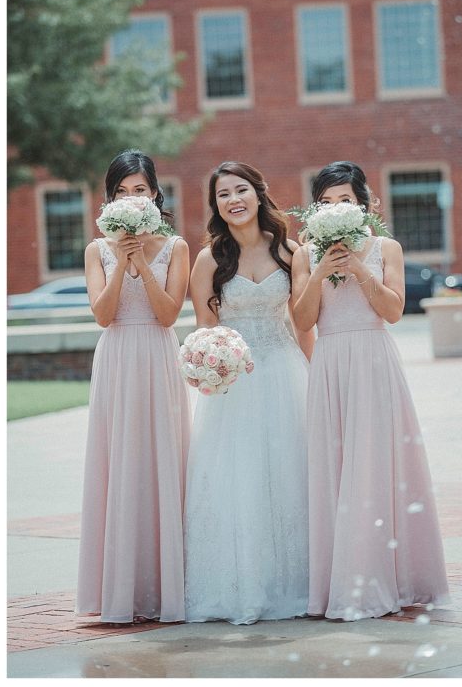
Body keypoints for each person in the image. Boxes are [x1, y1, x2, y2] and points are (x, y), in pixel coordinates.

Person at [292, 161, 449, 621]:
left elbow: (395, 310)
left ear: (365, 205)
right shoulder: (304, 254)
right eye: (327, 202)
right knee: (336, 470)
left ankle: (388, 579)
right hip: (331, 362)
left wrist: (359, 267)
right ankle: (338, 582)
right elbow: (301, 321)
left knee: (377, 466)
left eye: (345, 200)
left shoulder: (386, 248)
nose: (337, 208)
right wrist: (321, 269)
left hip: (374, 360)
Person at [184, 161, 313, 624]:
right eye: (223, 195)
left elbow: (303, 324)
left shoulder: (290, 251)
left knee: (287, 475)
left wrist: (317, 377)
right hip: (233, 382)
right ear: (215, 205)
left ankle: (294, 583)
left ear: (259, 194)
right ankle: (239, 584)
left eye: (241, 190)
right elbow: (204, 328)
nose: (233, 200)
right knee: (235, 480)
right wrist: (211, 363)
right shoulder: (209, 259)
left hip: (283, 372)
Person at [77, 149, 190, 623]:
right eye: (122, 191)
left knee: (162, 460)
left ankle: (167, 588)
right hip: (119, 357)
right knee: (119, 463)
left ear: (155, 195)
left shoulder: (177, 248)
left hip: (157, 355)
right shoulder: (96, 251)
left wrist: (144, 262)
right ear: (109, 201)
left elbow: (168, 315)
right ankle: (119, 587)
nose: (131, 197)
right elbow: (103, 315)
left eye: (139, 189)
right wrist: (122, 261)